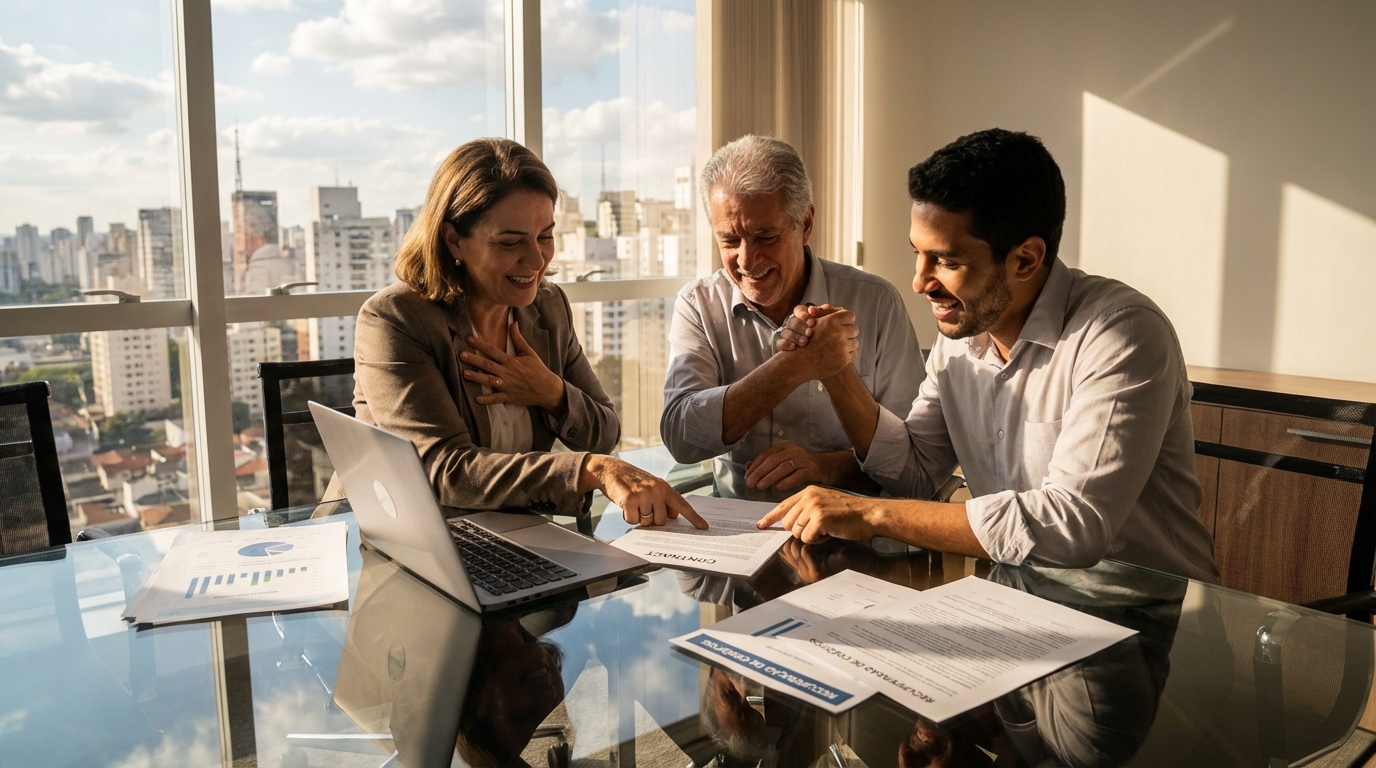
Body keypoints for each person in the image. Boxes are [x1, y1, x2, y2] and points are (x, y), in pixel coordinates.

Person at [759, 128, 1217, 582]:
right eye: (917, 254)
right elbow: (914, 472)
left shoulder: (1121, 334)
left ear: (1024, 259)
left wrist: (872, 514)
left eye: (947, 262)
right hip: (1021, 602)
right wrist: (836, 370)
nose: (919, 282)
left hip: (1148, 616)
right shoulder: (959, 338)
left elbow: (1072, 525)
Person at [353, 138, 705, 529]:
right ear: (454, 240)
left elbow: (605, 433)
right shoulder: (394, 319)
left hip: (519, 532)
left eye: (546, 236)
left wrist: (552, 394)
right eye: (510, 242)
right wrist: (589, 469)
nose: (537, 260)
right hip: (409, 537)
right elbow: (445, 471)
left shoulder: (548, 307)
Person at [660, 134, 925, 495]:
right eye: (729, 240)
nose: (746, 260)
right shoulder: (698, 305)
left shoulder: (877, 301)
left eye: (765, 237)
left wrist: (823, 468)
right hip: (738, 529)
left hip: (849, 533)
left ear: (806, 224)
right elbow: (681, 437)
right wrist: (793, 366)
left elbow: (914, 462)